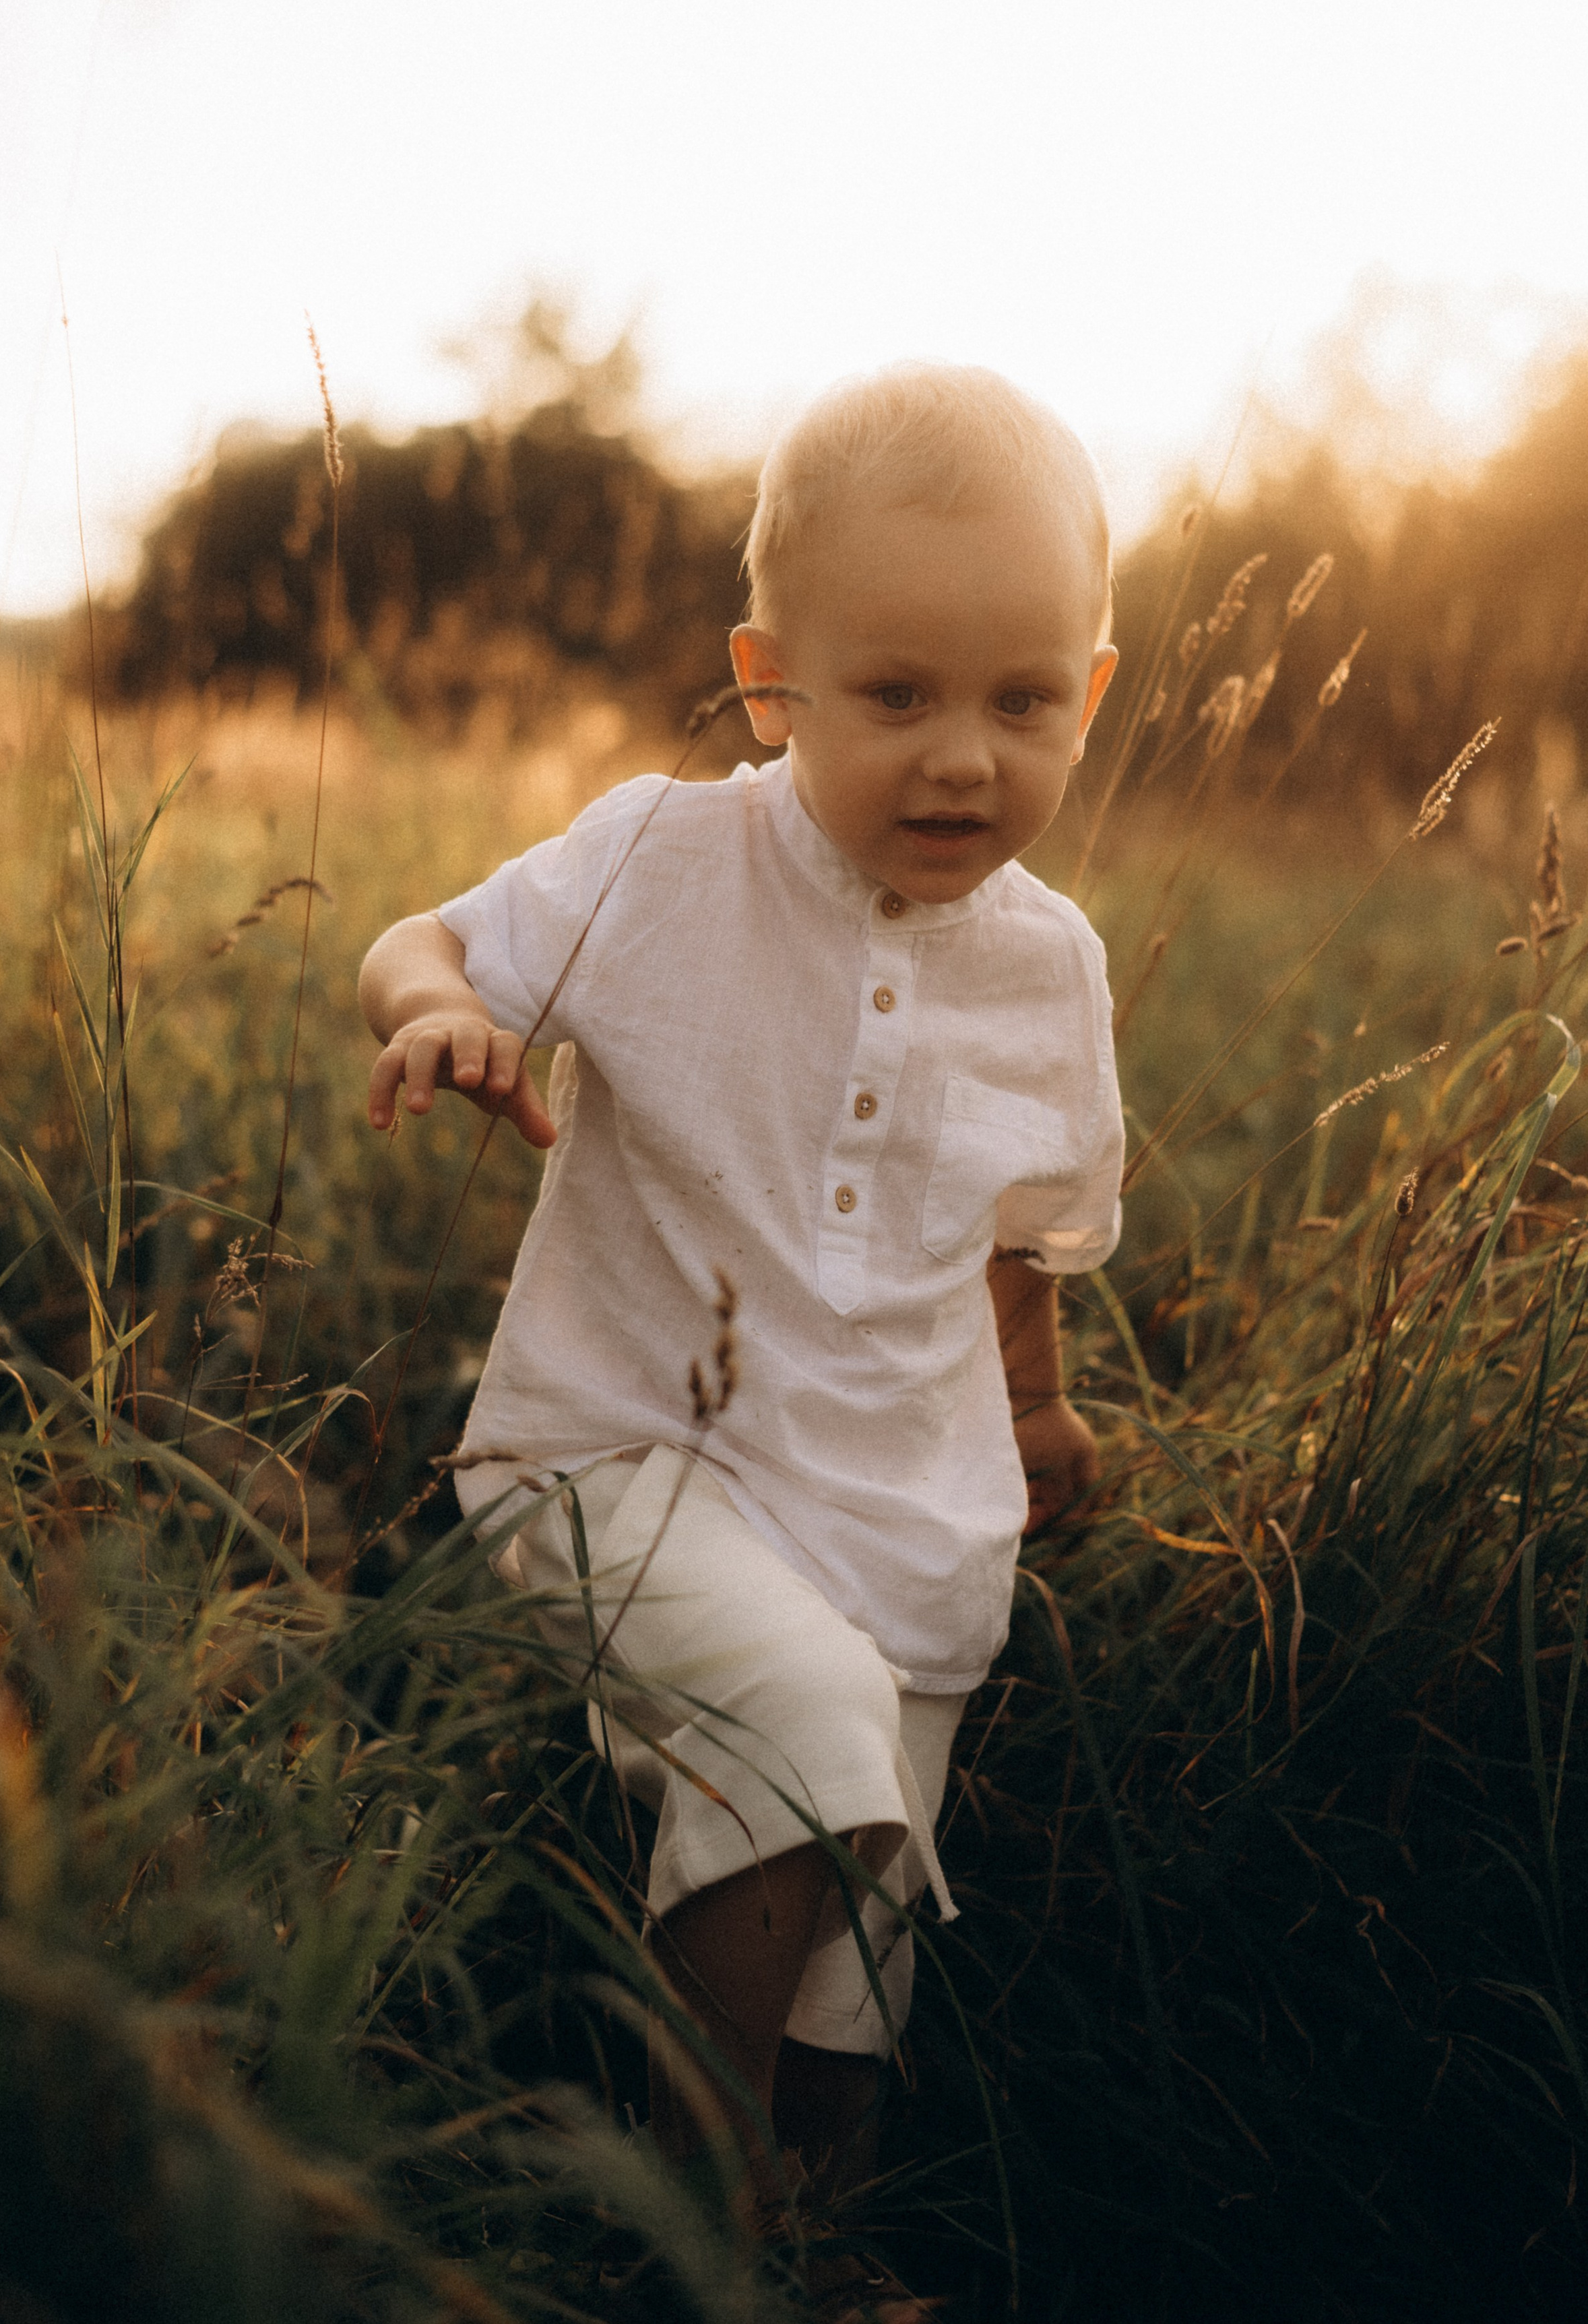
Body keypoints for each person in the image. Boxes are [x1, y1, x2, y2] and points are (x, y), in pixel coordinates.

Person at [358, 364, 1124, 2308]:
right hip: (617, 1458)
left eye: (1020, 701)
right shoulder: (664, 859)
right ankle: (679, 2227)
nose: (964, 757)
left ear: (1091, 691)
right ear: (772, 680)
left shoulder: (1051, 967)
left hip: (906, 1514)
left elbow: (1016, 1221)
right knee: (797, 1730)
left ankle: (819, 2239)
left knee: (863, 1941)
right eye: (897, 696)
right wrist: (444, 1010)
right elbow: (422, 937)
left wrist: (1031, 1405)